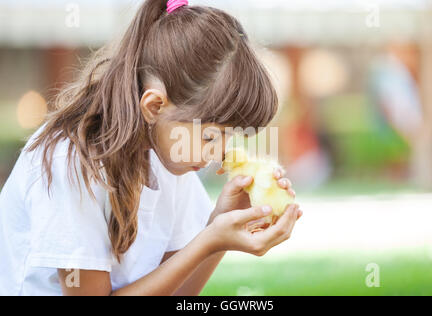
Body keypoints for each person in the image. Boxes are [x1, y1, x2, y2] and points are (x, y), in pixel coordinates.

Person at [0, 0, 301, 296]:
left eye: (230, 136)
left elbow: (177, 293)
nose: (219, 153)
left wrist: (218, 226)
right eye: (210, 136)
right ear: (155, 106)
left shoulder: (170, 158)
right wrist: (208, 240)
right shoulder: (72, 162)